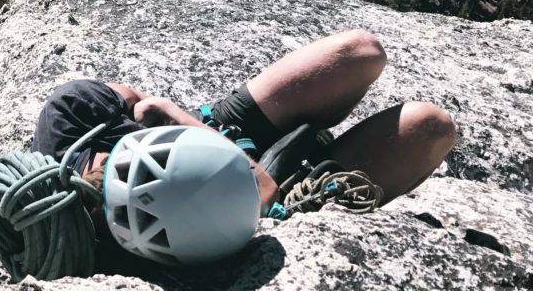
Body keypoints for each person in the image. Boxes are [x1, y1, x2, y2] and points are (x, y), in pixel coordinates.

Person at [32, 30, 456, 260]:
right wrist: (170, 117)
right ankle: (318, 180)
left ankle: (219, 132)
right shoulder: (157, 239)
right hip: (262, 207)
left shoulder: (69, 116)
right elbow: (265, 190)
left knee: (362, 52)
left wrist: (180, 120)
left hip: (217, 128)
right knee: (431, 127)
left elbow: (133, 98)